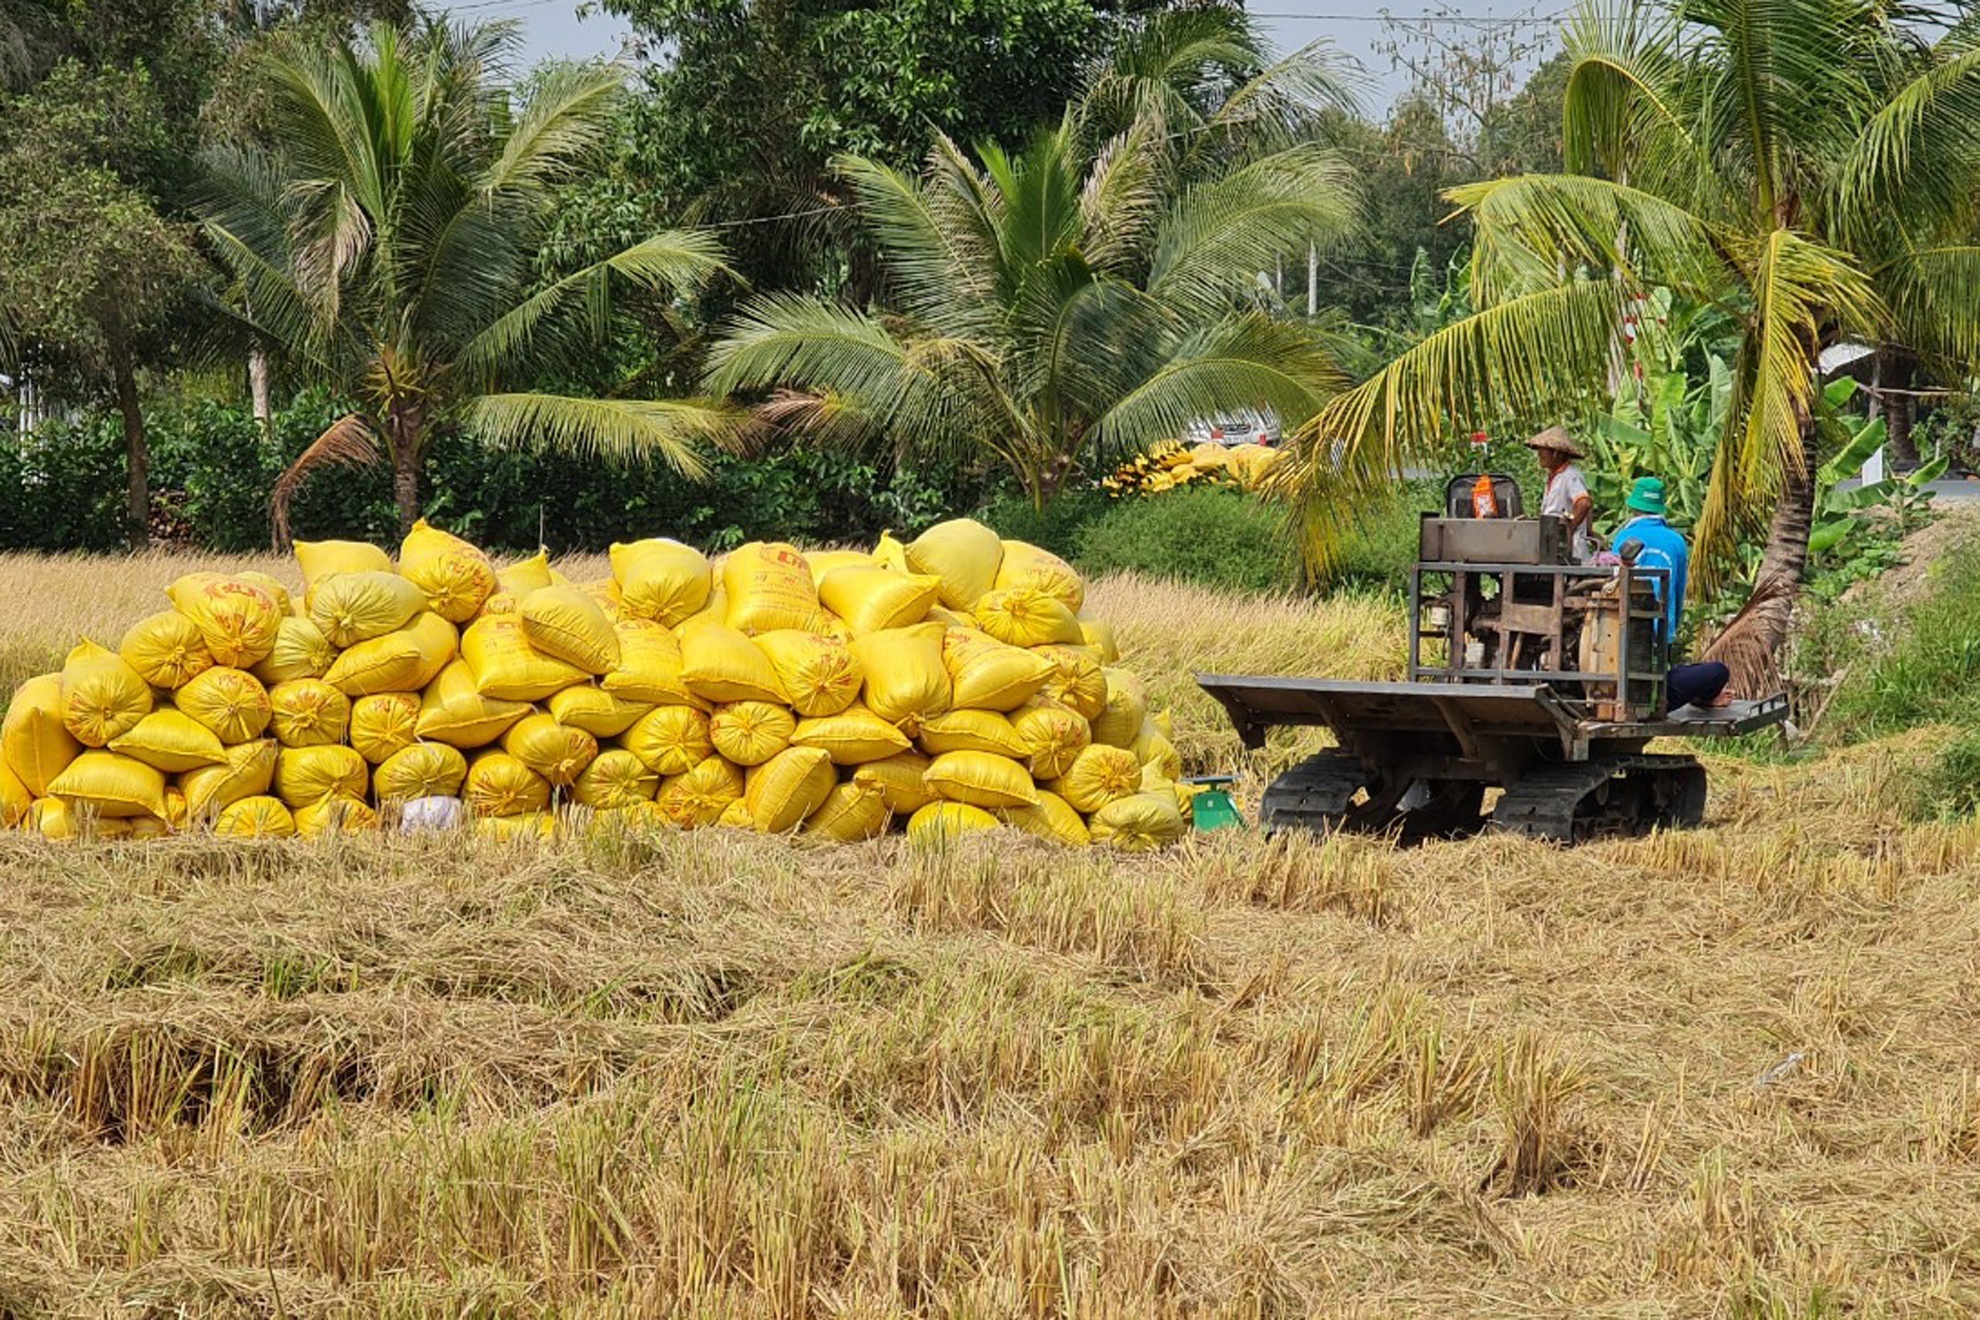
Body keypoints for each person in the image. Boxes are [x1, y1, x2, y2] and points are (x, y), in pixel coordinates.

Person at [1613, 476, 1730, 711]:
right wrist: (1670, 627)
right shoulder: (1676, 542)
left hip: (1620, 632)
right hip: (1659, 632)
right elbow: (1678, 590)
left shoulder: (1623, 538)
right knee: (1713, 672)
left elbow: (1612, 585)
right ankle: (1692, 696)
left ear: (1634, 506)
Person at [1526, 426, 1594, 561]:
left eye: (1544, 450)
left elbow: (1584, 503)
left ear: (1558, 453)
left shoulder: (1570, 475)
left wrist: (1568, 531)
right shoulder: (1555, 476)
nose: (1539, 454)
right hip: (1553, 548)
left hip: (1570, 550)